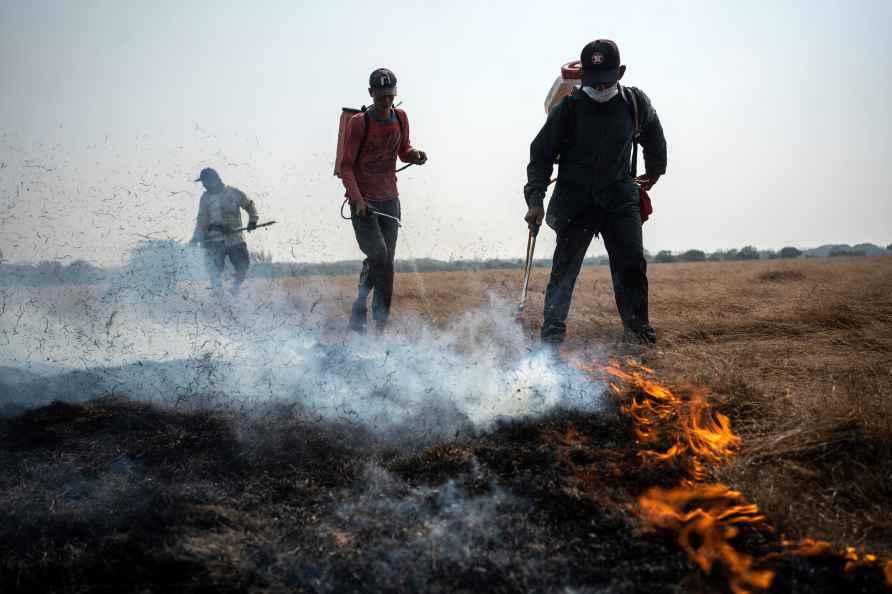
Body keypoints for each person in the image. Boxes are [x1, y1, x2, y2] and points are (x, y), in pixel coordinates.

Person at [524, 39, 667, 345]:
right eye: (593, 83)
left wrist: (654, 171)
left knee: (631, 265)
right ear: (582, 77)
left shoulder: (635, 103)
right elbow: (540, 156)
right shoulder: (568, 110)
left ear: (621, 73)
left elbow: (654, 134)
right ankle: (551, 338)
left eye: (606, 82)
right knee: (564, 272)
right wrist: (535, 200)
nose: (600, 89)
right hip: (576, 203)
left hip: (619, 200)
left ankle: (638, 333)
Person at [339, 68, 427, 332]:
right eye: (381, 97)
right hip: (363, 203)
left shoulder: (400, 118)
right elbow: (346, 167)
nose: (386, 101)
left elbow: (403, 151)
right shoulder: (358, 123)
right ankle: (360, 302)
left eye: (390, 96)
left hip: (390, 199)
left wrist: (415, 154)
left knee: (386, 262)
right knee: (378, 254)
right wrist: (358, 200)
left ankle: (380, 324)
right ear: (371, 94)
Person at [190, 167, 259, 295]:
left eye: (205, 181)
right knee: (214, 271)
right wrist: (196, 238)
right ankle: (219, 296)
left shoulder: (233, 193)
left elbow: (249, 205)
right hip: (214, 241)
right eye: (203, 182)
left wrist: (253, 221)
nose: (204, 184)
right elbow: (201, 221)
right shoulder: (205, 199)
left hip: (235, 239)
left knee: (243, 267)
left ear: (214, 180)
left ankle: (235, 289)